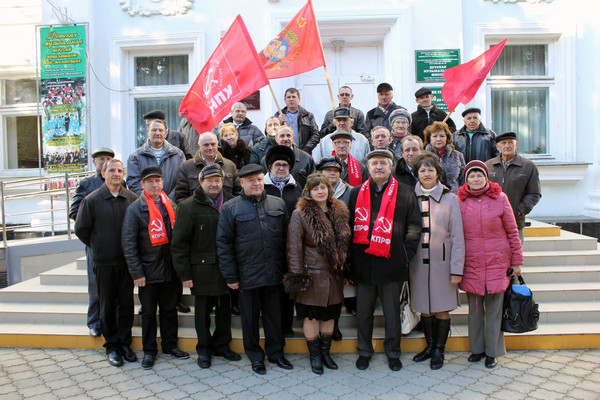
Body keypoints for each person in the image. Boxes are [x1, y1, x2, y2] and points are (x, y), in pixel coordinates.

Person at [216, 164, 294, 375]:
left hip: (275, 274)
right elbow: (223, 244)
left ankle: (276, 354)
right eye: (251, 180)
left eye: (259, 179)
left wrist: (290, 271)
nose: (256, 183)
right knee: (249, 321)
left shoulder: (278, 204)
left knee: (274, 318)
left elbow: (288, 240)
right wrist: (230, 276)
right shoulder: (230, 208)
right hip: (246, 276)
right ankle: (255, 357)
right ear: (241, 183)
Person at [348, 150, 421, 372]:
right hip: (363, 264)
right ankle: (364, 351)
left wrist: (404, 255)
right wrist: (351, 260)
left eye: (383, 163)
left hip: (392, 264)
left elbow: (414, 227)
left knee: (391, 314)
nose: (378, 167)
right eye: (374, 164)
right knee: (364, 314)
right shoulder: (356, 193)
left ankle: (393, 352)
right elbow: (349, 228)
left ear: (390, 167)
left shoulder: (406, 193)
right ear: (368, 168)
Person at [171, 164, 241, 369]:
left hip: (226, 269)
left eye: (217, 180)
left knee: (224, 311)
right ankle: (204, 349)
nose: (214, 184)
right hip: (201, 271)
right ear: (201, 182)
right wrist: (184, 274)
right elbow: (179, 245)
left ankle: (222, 345)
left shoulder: (231, 202)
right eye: (209, 180)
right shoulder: (188, 206)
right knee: (202, 313)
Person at [457, 160, 524, 369]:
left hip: (497, 262)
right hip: (472, 262)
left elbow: (513, 231)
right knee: (475, 310)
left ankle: (493, 352)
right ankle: (476, 349)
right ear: (466, 179)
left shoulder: (500, 198)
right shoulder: (460, 200)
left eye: (479, 175)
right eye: (471, 176)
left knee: (494, 310)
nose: (476, 179)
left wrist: (517, 261)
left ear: (486, 177)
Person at [122, 167, 190, 369]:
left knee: (170, 310)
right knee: (149, 314)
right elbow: (129, 243)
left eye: (157, 181)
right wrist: (137, 273)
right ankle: (149, 350)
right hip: (148, 272)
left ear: (162, 183)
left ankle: (170, 346)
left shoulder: (171, 205)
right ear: (142, 184)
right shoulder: (135, 209)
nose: (154, 185)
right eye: (149, 181)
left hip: (170, 270)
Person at [74, 159, 138, 367]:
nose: (116, 174)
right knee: (107, 306)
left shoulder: (132, 199)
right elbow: (81, 229)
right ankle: (112, 347)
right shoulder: (91, 200)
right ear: (103, 173)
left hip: (126, 263)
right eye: (111, 170)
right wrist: (98, 246)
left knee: (126, 306)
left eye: (120, 170)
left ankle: (125, 344)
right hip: (103, 263)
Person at [286, 172, 351, 375]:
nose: (320, 191)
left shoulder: (339, 210)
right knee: (312, 317)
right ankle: (315, 356)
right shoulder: (300, 214)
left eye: (323, 187)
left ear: (329, 189)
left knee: (330, 315)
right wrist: (298, 276)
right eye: (315, 188)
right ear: (309, 191)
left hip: (335, 274)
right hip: (311, 273)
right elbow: (293, 247)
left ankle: (325, 353)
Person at [409, 153, 465, 370]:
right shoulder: (410, 197)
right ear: (417, 174)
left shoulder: (451, 198)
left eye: (430, 170)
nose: (426, 174)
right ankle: (429, 346)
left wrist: (457, 269)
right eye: (422, 170)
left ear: (438, 173)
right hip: (417, 263)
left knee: (441, 308)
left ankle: (439, 349)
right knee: (424, 308)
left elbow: (458, 236)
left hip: (443, 262)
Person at [70, 146, 115, 338]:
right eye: (100, 159)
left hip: (116, 242)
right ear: (94, 163)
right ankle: (95, 322)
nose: (104, 162)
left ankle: (114, 321)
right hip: (95, 243)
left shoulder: (120, 183)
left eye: (108, 158)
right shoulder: (87, 184)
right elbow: (74, 212)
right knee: (95, 284)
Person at [262, 145, 302, 338]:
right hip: (267, 247)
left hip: (291, 247)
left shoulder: (297, 187)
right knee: (271, 291)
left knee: (288, 290)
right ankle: (272, 328)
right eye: (277, 164)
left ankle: (286, 326)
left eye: (285, 165)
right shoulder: (261, 186)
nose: (281, 168)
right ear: (270, 167)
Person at [486, 132, 542, 241]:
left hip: (515, 219)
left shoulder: (528, 166)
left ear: (516, 145)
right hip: (492, 220)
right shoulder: (488, 165)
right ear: (498, 147)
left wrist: (520, 209)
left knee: (515, 254)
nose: (507, 146)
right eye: (503, 143)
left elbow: (534, 193)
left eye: (510, 143)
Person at [127, 118, 186, 200]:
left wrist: (168, 200)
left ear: (165, 133)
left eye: (160, 130)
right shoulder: (135, 156)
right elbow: (133, 182)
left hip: (172, 205)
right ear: (148, 133)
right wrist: (149, 199)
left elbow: (182, 181)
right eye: (154, 130)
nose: (157, 133)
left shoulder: (178, 155)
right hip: (146, 206)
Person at [174, 132, 241, 203]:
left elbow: (238, 193)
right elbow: (181, 196)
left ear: (217, 145)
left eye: (213, 144)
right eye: (206, 145)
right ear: (199, 146)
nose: (210, 148)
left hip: (226, 212)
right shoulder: (186, 167)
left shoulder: (230, 165)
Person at [424, 121, 465, 194]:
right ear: (429, 138)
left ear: (447, 138)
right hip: (431, 198)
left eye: (442, 136)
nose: (438, 139)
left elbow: (463, 180)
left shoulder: (458, 156)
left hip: (454, 198)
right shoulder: (424, 157)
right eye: (435, 136)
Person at [274, 88, 320, 153]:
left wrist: (306, 149)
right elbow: (269, 132)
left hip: (303, 153)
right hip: (283, 152)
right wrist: (278, 122)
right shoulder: (278, 114)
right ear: (285, 100)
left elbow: (316, 134)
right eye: (289, 97)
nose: (291, 99)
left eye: (294, 97)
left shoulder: (308, 115)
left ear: (299, 99)